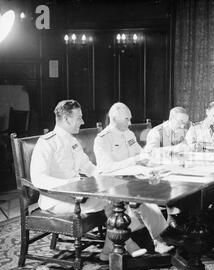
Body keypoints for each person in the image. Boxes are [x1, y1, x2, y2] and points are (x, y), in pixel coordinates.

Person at [30, 100, 146, 259]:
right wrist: (70, 185)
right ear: (67, 119)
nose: (83, 121)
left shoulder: (72, 141)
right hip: (55, 198)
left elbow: (88, 167)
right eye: (79, 117)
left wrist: (108, 179)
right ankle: (127, 243)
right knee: (112, 205)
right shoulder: (47, 143)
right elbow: (38, 178)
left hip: (77, 196)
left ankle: (107, 251)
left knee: (115, 200)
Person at [94, 102, 174, 255]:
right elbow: (106, 167)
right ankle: (159, 240)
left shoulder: (128, 134)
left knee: (154, 194)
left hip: (131, 180)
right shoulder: (103, 138)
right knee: (143, 202)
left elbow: (140, 153)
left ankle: (109, 248)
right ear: (114, 118)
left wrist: (151, 160)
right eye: (126, 119)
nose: (130, 123)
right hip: (112, 184)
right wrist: (134, 160)